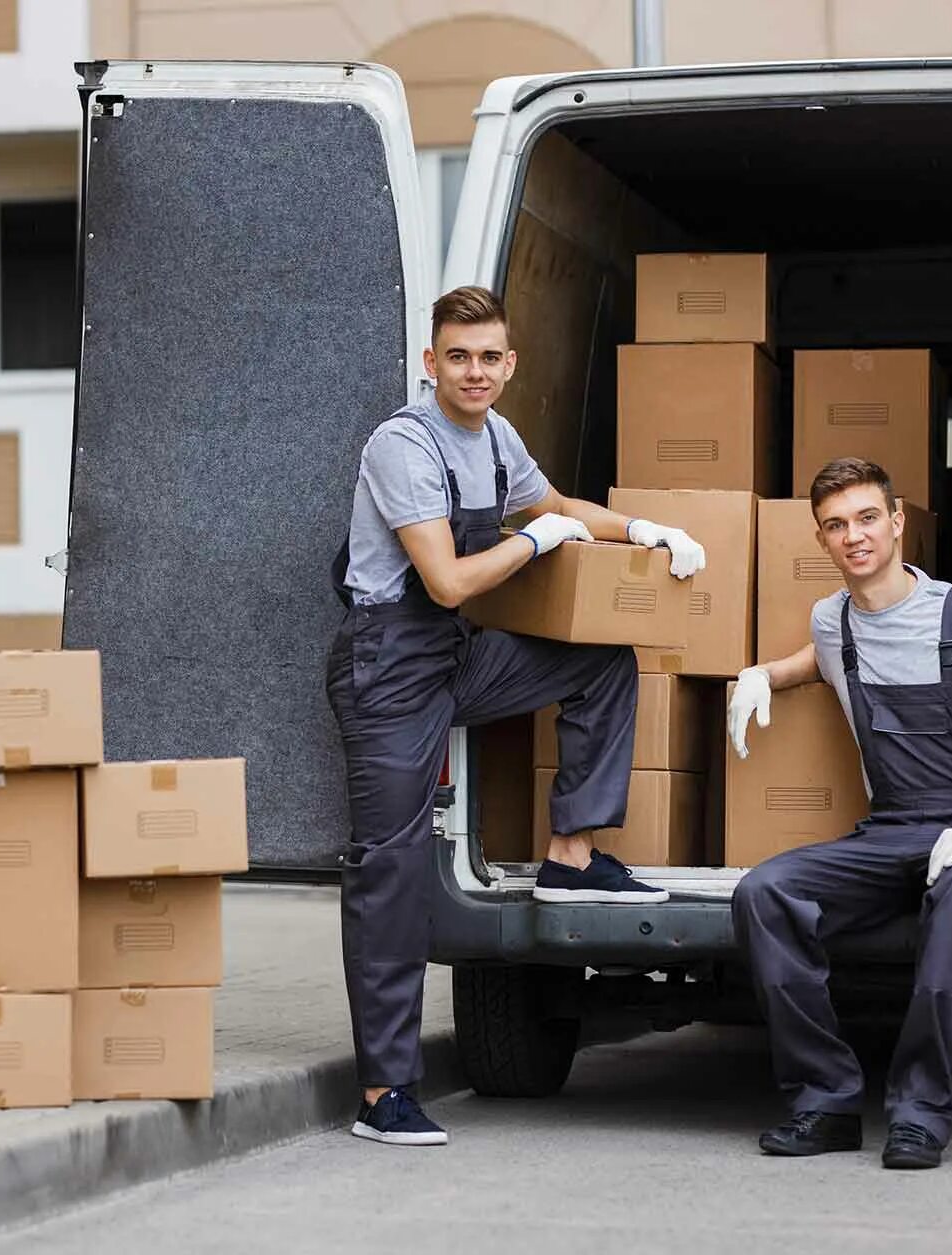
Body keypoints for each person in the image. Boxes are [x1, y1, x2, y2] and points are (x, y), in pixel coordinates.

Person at [327, 285, 707, 1147]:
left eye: (489, 355)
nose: (474, 370)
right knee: (390, 871)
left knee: (603, 660)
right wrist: (534, 544)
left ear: (510, 363)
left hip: (456, 653)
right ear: (432, 363)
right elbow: (447, 582)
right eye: (457, 355)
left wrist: (645, 531)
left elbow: (559, 508)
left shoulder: (496, 437)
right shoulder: (405, 443)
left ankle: (570, 856)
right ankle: (384, 1092)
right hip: (388, 664)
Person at [726, 457, 952, 1169]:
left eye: (868, 517)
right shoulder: (832, 620)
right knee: (764, 892)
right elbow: (817, 658)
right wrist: (764, 674)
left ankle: (919, 1110)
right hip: (892, 830)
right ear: (821, 540)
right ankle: (825, 1099)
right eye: (837, 525)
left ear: (899, 519)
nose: (855, 535)